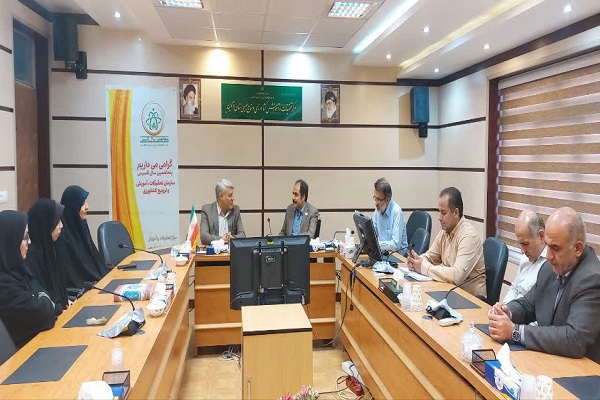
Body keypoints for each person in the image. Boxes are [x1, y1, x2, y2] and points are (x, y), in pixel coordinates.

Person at [488, 207, 600, 362]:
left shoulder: (592, 279)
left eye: (555, 248)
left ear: (578, 248)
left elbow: (574, 339)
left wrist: (516, 332)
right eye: (547, 246)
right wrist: (507, 312)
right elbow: (528, 305)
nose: (548, 256)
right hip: (547, 360)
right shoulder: (549, 269)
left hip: (581, 371)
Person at [407, 187, 486, 297]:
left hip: (469, 299)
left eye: (443, 213)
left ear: (456, 213)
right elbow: (430, 256)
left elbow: (457, 276)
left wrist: (425, 268)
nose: (439, 218)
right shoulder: (445, 231)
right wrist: (416, 261)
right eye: (439, 212)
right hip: (449, 291)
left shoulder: (468, 236)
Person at [0, 210, 58, 348]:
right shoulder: (4, 285)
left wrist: (43, 299)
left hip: (36, 343)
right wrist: (43, 299)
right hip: (22, 355)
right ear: (11, 241)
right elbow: (44, 315)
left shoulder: (20, 271)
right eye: (25, 237)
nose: (29, 242)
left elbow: (43, 297)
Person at [56, 186, 107, 290]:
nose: (87, 207)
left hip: (97, 285)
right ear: (73, 207)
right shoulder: (62, 238)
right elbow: (73, 277)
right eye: (83, 204)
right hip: (84, 292)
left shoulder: (81, 227)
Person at [27, 198, 69, 311]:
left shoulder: (52, 247)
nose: (61, 225)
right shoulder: (31, 257)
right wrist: (58, 309)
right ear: (46, 223)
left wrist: (65, 301)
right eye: (57, 221)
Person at [503, 210, 547, 303]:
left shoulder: (550, 265)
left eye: (525, 244)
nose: (522, 251)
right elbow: (515, 288)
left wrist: (510, 309)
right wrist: (504, 307)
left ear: (541, 235)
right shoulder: (526, 257)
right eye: (520, 244)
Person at [200, 179, 246, 245]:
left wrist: (232, 238)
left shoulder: (235, 210)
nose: (233, 198)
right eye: (230, 195)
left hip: (231, 251)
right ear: (221, 196)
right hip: (214, 251)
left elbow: (242, 235)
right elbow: (204, 237)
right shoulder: (207, 210)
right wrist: (222, 239)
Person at [372, 178, 408, 255]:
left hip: (398, 256)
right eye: (375, 198)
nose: (376, 203)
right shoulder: (378, 210)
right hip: (384, 253)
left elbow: (395, 245)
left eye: (378, 199)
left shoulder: (397, 212)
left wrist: (376, 244)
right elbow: (372, 234)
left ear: (387, 200)